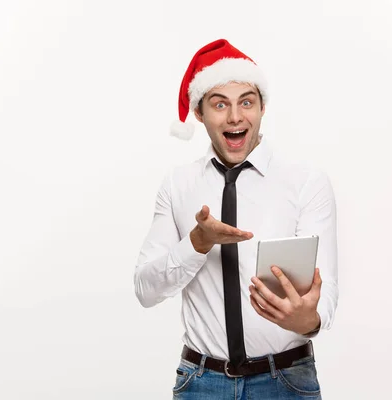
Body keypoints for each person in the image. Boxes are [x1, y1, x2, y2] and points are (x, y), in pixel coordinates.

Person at [134, 38, 338, 399]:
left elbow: (326, 291)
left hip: (286, 381)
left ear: (261, 108)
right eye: (219, 104)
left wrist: (306, 319)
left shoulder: (305, 182)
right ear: (199, 113)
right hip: (201, 383)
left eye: (247, 102)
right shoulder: (178, 184)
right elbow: (146, 290)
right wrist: (197, 243)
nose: (235, 117)